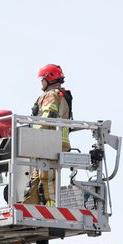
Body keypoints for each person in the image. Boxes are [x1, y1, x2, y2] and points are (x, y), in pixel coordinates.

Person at [24, 63, 73, 205]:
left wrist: (32, 133)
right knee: (38, 176)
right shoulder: (61, 94)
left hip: (49, 142)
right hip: (56, 142)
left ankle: (51, 208)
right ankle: (32, 204)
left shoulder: (51, 94)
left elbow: (48, 116)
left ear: (49, 79)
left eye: (42, 79)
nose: (41, 82)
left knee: (47, 177)